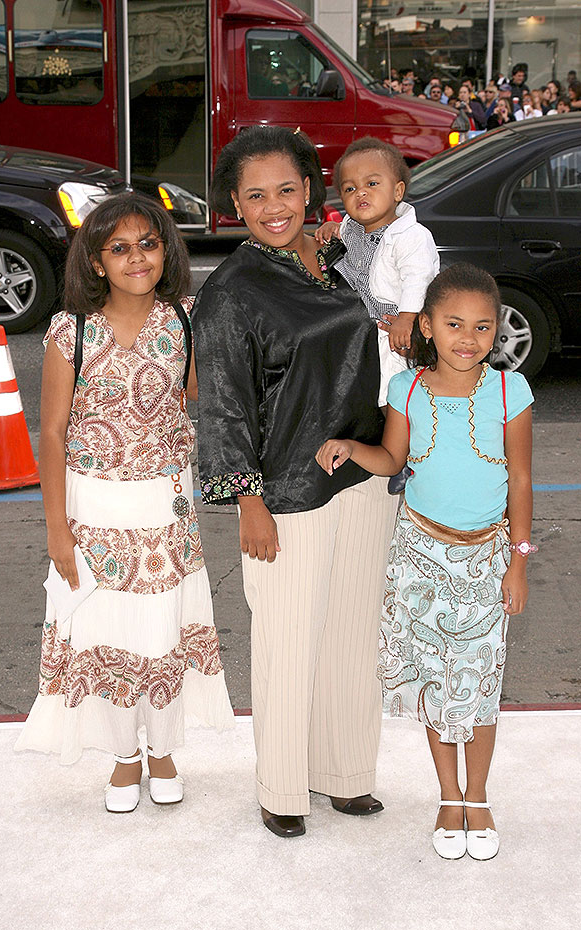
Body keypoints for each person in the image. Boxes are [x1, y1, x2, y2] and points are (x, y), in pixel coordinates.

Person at [192, 126, 398, 839]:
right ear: (235, 206)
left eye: (286, 189)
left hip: (362, 473)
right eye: (256, 195)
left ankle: (344, 776)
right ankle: (282, 789)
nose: (274, 206)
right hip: (285, 492)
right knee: (287, 641)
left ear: (309, 190)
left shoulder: (339, 258)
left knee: (349, 635)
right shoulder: (229, 293)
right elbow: (221, 405)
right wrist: (248, 501)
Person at [15, 192, 234, 811]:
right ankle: (123, 755)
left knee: (161, 626)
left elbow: (203, 401)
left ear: (167, 249)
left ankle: (162, 751)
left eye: (148, 243)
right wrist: (57, 528)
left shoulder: (185, 320)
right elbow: (52, 433)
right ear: (94, 262)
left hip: (165, 509)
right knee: (104, 628)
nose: (136, 257)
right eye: (118, 248)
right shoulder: (71, 332)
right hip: (94, 511)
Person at [316, 262, 535, 861]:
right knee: (439, 684)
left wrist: (518, 560)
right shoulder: (405, 389)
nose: (469, 339)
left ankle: (480, 796)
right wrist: (350, 447)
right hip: (418, 554)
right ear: (429, 327)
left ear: (496, 334)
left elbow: (520, 479)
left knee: (481, 684)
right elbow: (393, 459)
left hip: (486, 558)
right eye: (455, 324)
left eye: (483, 327)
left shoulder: (511, 393)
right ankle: (447, 796)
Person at [314, 136, 439, 409]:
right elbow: (342, 251)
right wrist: (331, 229)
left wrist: (407, 318)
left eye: (372, 184)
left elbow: (418, 278)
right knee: (365, 395)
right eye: (350, 188)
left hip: (394, 331)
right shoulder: (351, 228)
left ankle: (401, 445)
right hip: (361, 334)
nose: (361, 193)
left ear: (397, 191)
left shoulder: (412, 236)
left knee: (395, 399)